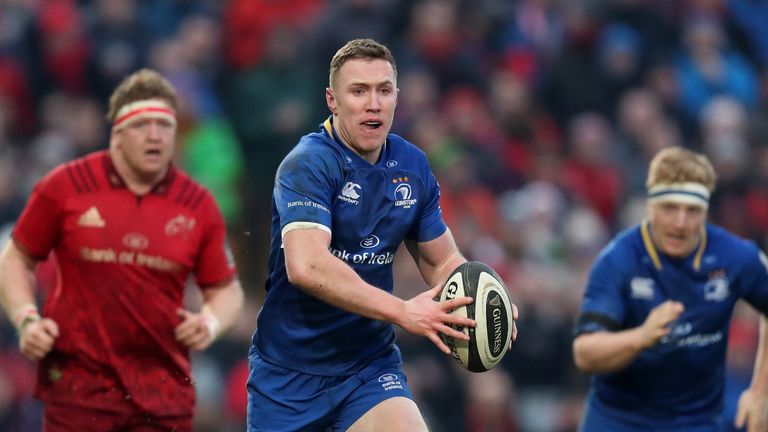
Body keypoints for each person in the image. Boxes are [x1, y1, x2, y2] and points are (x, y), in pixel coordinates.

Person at [246, 38, 519, 432]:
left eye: (383, 90)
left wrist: (481, 299)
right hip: (289, 378)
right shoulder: (307, 164)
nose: (373, 103)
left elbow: (441, 261)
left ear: (396, 98)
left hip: (368, 368)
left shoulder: (412, 165)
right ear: (332, 100)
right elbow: (306, 266)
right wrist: (403, 311)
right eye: (358, 91)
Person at [0, 69, 244, 431]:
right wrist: (25, 317)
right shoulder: (65, 188)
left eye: (164, 127)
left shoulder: (197, 207)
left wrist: (209, 322)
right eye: (141, 125)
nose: (154, 138)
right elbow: (15, 259)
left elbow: (225, 291)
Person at [572, 146, 768, 432]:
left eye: (692, 211)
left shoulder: (736, 257)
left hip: (696, 423)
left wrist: (761, 391)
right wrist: (641, 337)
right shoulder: (618, 260)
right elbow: (584, 353)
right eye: (670, 208)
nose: (680, 223)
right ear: (650, 206)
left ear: (706, 212)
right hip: (618, 420)